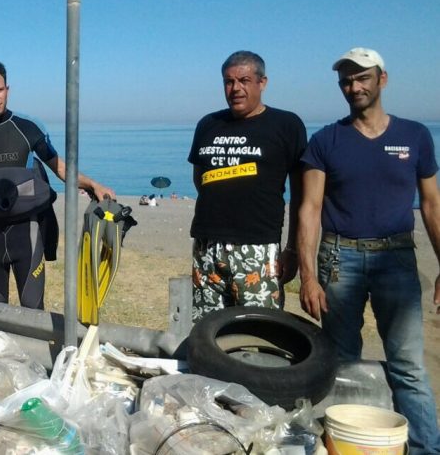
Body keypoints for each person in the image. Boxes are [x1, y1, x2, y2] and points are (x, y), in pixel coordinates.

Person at [298, 47, 440, 453]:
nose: (354, 86)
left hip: (396, 258)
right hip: (339, 260)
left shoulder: (414, 136)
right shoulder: (327, 140)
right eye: (346, 79)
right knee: (341, 364)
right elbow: (308, 209)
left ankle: (425, 448)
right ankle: (347, 445)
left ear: (383, 79)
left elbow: (431, 203)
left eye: (362, 77)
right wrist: (309, 276)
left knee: (408, 366)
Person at [0, 58, 113, 309]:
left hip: (27, 234)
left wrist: (93, 184)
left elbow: (60, 168)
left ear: (8, 89)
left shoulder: (28, 127)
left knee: (33, 309)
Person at [187, 51, 306, 322]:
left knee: (260, 330)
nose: (236, 89)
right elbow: (200, 178)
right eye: (229, 82)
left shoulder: (286, 125)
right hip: (207, 247)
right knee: (208, 332)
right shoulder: (208, 124)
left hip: (259, 248)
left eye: (244, 80)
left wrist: (293, 250)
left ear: (262, 82)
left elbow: (300, 195)